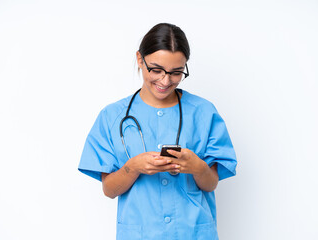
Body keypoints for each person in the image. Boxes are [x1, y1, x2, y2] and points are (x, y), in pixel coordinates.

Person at [78, 23, 237, 240]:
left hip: (193, 233)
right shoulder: (112, 116)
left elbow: (211, 183)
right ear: (139, 59)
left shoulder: (204, 112)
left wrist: (197, 167)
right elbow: (109, 190)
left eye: (176, 72)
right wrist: (132, 167)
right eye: (156, 70)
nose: (165, 80)